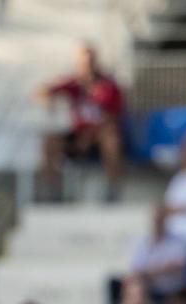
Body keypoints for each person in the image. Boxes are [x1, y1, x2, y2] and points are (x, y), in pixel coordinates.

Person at [38, 43, 126, 200]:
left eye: (89, 62)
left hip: (98, 136)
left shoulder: (108, 86)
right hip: (77, 135)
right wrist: (48, 100)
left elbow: (112, 117)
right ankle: (54, 190)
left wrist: (89, 136)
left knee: (111, 138)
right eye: (83, 63)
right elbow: (43, 91)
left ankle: (112, 187)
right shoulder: (73, 84)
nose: (86, 67)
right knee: (49, 142)